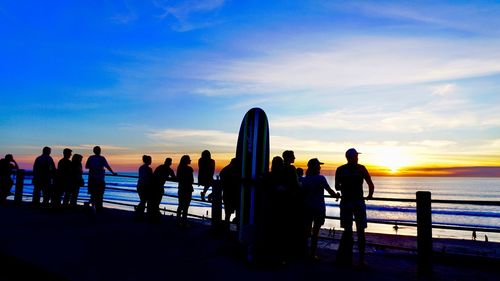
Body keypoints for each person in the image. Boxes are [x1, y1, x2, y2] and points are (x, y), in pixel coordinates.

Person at [335, 148, 375, 267]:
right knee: (361, 231)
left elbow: (337, 186)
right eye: (357, 156)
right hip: (358, 202)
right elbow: (370, 185)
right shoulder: (361, 168)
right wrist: (369, 196)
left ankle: (348, 259)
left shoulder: (340, 169)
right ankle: (361, 260)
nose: (358, 158)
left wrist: (345, 187)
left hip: (346, 202)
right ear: (354, 157)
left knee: (348, 231)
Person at [302, 158, 338, 260]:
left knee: (306, 232)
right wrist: (337, 195)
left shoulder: (305, 180)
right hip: (318, 208)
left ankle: (305, 252)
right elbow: (330, 191)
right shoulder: (321, 178)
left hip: (307, 207)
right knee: (315, 233)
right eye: (318, 165)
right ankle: (312, 254)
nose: (320, 167)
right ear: (315, 167)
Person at [85, 146, 116, 214]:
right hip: (99, 179)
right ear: (99, 151)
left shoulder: (90, 158)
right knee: (100, 194)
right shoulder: (102, 158)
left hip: (92, 178)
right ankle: (98, 208)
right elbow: (107, 166)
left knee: (93, 194)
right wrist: (113, 173)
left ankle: (93, 207)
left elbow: (86, 166)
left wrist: (93, 167)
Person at [150, 157, 176, 221]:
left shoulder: (159, 167)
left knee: (154, 202)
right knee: (157, 202)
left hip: (154, 186)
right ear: (170, 163)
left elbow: (154, 175)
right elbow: (174, 178)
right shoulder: (169, 169)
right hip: (159, 187)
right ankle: (156, 216)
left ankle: (154, 216)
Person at [219, 158, 240, 227]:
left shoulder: (225, 170)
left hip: (227, 194)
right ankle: (231, 228)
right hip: (232, 194)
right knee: (233, 212)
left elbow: (222, 181)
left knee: (228, 214)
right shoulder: (234, 170)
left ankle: (227, 227)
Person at [176, 155, 194, 227]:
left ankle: (178, 221)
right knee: (186, 207)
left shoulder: (179, 168)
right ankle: (184, 222)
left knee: (180, 205)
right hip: (188, 189)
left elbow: (178, 178)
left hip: (181, 188)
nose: (190, 161)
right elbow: (191, 180)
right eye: (189, 159)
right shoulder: (189, 169)